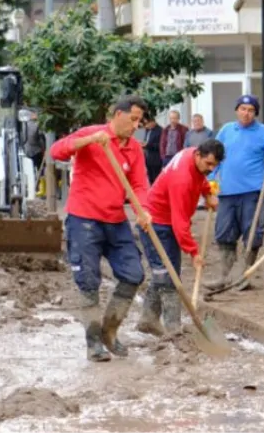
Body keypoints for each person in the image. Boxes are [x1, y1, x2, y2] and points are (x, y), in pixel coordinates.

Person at [50, 95, 152, 362]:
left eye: (139, 121)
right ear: (117, 114)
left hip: (115, 220)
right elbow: (57, 151)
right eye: (132, 119)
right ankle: (93, 341)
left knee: (133, 273)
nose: (135, 125)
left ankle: (110, 329)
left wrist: (143, 210)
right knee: (88, 281)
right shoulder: (92, 134)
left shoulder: (134, 149)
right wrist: (91, 140)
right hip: (84, 219)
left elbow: (139, 185)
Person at [136, 140, 224, 336]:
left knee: (166, 273)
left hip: (166, 221)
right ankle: (174, 330)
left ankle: (148, 319)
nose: (210, 169)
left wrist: (207, 192)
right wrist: (193, 252)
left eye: (214, 165)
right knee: (169, 279)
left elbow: (200, 178)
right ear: (198, 156)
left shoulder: (192, 154)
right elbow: (180, 222)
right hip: (155, 224)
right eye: (208, 164)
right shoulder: (182, 180)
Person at [204, 95, 264, 292]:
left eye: (251, 110)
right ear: (236, 110)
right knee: (224, 234)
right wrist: (211, 179)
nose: (246, 113)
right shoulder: (227, 130)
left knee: (253, 233)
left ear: (255, 113)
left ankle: (243, 276)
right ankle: (224, 276)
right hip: (227, 191)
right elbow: (213, 156)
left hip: (252, 191)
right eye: (243, 109)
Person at [141, 112, 163, 184]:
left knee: (156, 178)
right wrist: (143, 143)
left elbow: (161, 145)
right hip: (148, 157)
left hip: (156, 158)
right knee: (149, 177)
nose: (146, 125)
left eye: (147, 123)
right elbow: (146, 140)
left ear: (153, 122)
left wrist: (148, 145)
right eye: (145, 124)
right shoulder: (148, 130)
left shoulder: (160, 131)